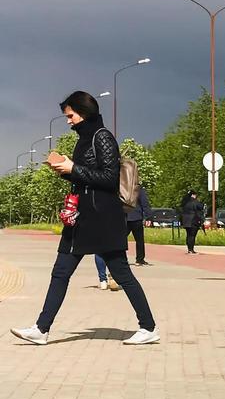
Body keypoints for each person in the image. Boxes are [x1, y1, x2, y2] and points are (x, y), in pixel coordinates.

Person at [11, 91, 158, 346]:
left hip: (103, 218)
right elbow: (86, 178)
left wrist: (73, 168)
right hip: (80, 217)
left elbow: (109, 179)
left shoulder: (103, 138)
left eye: (70, 115)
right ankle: (41, 329)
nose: (68, 121)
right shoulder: (83, 140)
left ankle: (148, 327)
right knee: (60, 271)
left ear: (84, 113)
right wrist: (65, 170)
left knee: (121, 273)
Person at [127, 181, 150, 264]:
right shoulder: (139, 189)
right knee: (139, 240)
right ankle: (140, 259)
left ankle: (121, 258)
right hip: (136, 217)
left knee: (121, 239)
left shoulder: (123, 187)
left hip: (125, 216)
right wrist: (148, 217)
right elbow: (145, 203)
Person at [180, 190, 205, 254]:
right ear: (193, 195)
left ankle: (189, 249)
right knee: (192, 235)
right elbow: (201, 207)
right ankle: (191, 250)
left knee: (188, 235)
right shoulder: (195, 202)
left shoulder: (185, 202)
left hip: (185, 221)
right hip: (193, 220)